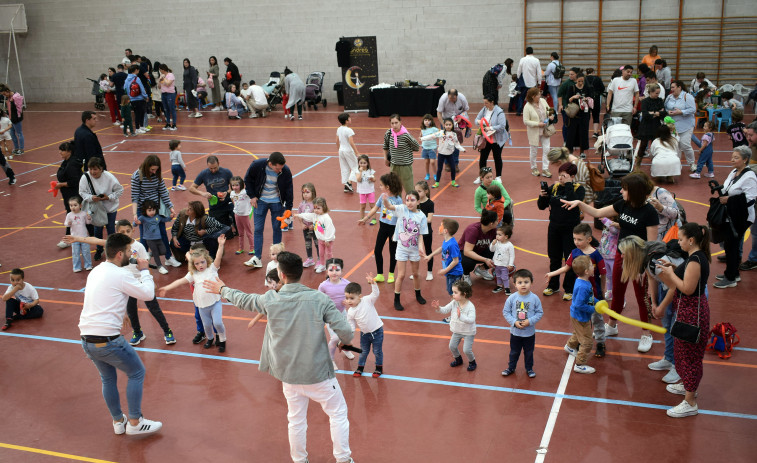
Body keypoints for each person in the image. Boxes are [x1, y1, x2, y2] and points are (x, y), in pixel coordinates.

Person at [204, 251, 355, 463]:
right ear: (300, 273)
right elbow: (346, 333)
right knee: (338, 414)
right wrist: (343, 340)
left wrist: (222, 289)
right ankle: (343, 459)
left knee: (296, 420)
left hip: (288, 375)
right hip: (318, 374)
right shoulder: (320, 299)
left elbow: (244, 300)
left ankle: (300, 460)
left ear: (282, 276)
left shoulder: (270, 299)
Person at [561, 173, 659, 352]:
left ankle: (646, 333)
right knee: (616, 292)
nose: (621, 191)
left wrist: (644, 266)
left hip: (638, 260)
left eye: (624, 188)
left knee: (640, 297)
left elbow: (651, 245)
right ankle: (612, 325)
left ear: (634, 191)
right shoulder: (623, 204)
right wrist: (580, 204)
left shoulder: (650, 213)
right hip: (621, 255)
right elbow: (598, 213)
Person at [78, 233, 162, 435]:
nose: (130, 254)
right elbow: (148, 294)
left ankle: (118, 421)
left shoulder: (96, 271)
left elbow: (104, 295)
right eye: (128, 251)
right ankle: (135, 422)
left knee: (107, 379)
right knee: (137, 372)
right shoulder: (120, 274)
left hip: (87, 339)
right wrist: (145, 271)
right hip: (108, 340)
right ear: (119, 254)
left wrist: (120, 311)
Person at [656, 223, 711, 417]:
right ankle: (687, 386)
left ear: (691, 240)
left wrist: (671, 274)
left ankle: (690, 401)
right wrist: (675, 268)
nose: (678, 242)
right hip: (687, 311)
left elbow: (687, 288)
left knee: (690, 357)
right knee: (682, 352)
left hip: (692, 314)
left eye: (680, 239)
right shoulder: (693, 258)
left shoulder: (696, 259)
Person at [546, 223, 609, 357]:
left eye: (579, 239)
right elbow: (566, 267)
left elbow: (603, 274)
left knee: (597, 319)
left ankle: (600, 342)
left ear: (589, 239)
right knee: (582, 318)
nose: (576, 242)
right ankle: (582, 338)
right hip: (581, 293)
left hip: (594, 294)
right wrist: (552, 274)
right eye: (574, 239)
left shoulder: (596, 255)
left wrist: (602, 291)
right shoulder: (574, 252)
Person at [161, 238, 228, 352]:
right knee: (206, 325)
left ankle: (222, 340)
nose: (200, 265)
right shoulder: (193, 274)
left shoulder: (212, 269)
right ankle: (210, 338)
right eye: (197, 263)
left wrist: (220, 245)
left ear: (207, 260)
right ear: (193, 265)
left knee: (217, 322)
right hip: (202, 306)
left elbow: (218, 257)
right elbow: (180, 281)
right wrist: (167, 287)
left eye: (202, 262)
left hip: (215, 302)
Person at [538, 163, 585, 299]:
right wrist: (543, 196)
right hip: (554, 228)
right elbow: (542, 206)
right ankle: (553, 285)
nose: (560, 178)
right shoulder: (554, 188)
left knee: (570, 259)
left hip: (571, 230)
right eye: (560, 175)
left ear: (572, 176)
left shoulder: (578, 189)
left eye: (564, 175)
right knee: (554, 257)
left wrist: (569, 184)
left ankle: (569, 289)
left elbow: (571, 201)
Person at [377, 190, 429, 311]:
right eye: (407, 200)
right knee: (401, 275)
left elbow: (421, 235)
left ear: (418, 201)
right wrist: (385, 199)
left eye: (412, 200)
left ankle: (418, 294)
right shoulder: (402, 209)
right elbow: (389, 206)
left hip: (414, 249)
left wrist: (421, 248)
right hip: (402, 249)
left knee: (416, 274)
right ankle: (397, 299)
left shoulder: (422, 216)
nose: (409, 203)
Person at [713, 146, 757, 289]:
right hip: (731, 215)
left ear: (745, 159)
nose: (732, 159)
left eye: (736, 157)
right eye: (732, 157)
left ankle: (730, 277)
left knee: (732, 245)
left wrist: (729, 200)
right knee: (730, 245)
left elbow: (750, 199)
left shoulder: (750, 176)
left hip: (741, 217)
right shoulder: (734, 172)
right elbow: (727, 189)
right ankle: (733, 273)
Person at [243, 152, 294, 268]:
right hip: (260, 201)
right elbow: (247, 180)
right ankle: (257, 258)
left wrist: (289, 208)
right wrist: (252, 196)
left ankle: (277, 257)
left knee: (277, 228)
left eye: (281, 168)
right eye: (277, 168)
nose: (280, 170)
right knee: (258, 229)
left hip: (277, 202)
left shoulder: (285, 170)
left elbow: (289, 188)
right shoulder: (257, 165)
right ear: (270, 164)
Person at [131, 155, 180, 267]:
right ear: (146, 166)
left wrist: (170, 207)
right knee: (144, 235)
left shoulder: (157, 175)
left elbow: (163, 191)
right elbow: (135, 196)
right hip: (143, 210)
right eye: (152, 169)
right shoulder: (137, 176)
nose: (154, 172)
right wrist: (135, 214)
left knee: (162, 233)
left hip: (156, 209)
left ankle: (168, 257)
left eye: (156, 169)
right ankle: (141, 261)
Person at [358, 172, 403, 283]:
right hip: (383, 226)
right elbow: (375, 208)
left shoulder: (398, 200)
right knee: (377, 250)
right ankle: (380, 274)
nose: (379, 187)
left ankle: (391, 274)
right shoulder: (382, 197)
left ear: (387, 187)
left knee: (393, 252)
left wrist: (399, 231)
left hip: (393, 228)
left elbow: (401, 216)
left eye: (381, 185)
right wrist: (365, 218)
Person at [79, 157, 123, 261]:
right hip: (96, 208)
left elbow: (119, 190)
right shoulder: (85, 177)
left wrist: (108, 197)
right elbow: (82, 192)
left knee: (110, 229)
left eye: (95, 169)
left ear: (101, 169)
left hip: (109, 208)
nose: (92, 172)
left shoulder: (109, 177)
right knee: (97, 229)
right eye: (90, 169)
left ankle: (113, 249)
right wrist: (91, 198)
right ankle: (99, 249)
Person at [501, 269, 543, 377]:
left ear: (531, 282)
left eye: (526, 282)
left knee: (529, 353)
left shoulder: (535, 298)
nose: (523, 285)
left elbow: (539, 313)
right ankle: (511, 367)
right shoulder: (512, 298)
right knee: (514, 352)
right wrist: (514, 322)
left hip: (529, 333)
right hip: (515, 333)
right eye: (520, 282)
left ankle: (529, 369)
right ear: (514, 284)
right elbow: (506, 312)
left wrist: (530, 321)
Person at [432, 279, 477, 371]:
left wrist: (461, 316)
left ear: (464, 294)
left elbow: (471, 320)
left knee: (467, 350)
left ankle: (472, 362)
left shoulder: (470, 306)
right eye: (453, 292)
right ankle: (458, 359)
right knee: (452, 346)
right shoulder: (454, 302)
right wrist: (438, 308)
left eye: (455, 292)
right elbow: (445, 310)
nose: (453, 294)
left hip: (468, 332)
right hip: (457, 331)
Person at [563, 255, 598, 374]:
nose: (594, 267)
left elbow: (589, 298)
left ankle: (569, 346)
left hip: (577, 315)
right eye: (591, 266)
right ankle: (580, 364)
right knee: (587, 341)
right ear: (587, 271)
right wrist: (593, 309)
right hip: (581, 317)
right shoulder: (583, 286)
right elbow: (579, 304)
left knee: (578, 333)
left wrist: (598, 303)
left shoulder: (582, 281)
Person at [345, 275, 383, 378]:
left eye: (352, 298)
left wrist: (373, 283)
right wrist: (350, 334)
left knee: (377, 351)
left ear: (360, 296)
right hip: (364, 334)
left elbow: (376, 294)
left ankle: (379, 368)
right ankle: (360, 367)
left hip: (377, 331)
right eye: (347, 298)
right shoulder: (350, 311)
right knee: (363, 351)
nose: (349, 301)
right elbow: (351, 323)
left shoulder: (367, 300)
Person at [318, 258, 355, 365]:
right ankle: (331, 359)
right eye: (331, 270)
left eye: (337, 270)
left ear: (342, 271)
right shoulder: (323, 286)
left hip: (343, 314)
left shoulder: (347, 284)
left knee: (346, 335)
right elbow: (319, 300)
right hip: (330, 317)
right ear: (326, 271)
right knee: (335, 338)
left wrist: (348, 301)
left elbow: (352, 298)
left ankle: (346, 349)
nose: (334, 273)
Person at [188, 155, 234, 235]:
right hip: (215, 205)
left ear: (218, 163)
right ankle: (228, 220)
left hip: (228, 202)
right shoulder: (204, 174)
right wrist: (203, 193)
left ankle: (232, 220)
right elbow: (191, 188)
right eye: (211, 168)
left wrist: (227, 193)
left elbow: (235, 188)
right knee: (222, 233)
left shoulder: (226, 172)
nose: (213, 170)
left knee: (238, 217)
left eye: (215, 168)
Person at [423, 218, 464, 301]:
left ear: (445, 231)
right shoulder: (446, 240)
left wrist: (444, 271)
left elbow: (455, 261)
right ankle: (455, 309)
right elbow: (441, 248)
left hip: (454, 273)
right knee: (450, 292)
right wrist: (430, 255)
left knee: (453, 293)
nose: (439, 227)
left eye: (440, 226)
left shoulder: (452, 244)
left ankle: (457, 310)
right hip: (450, 272)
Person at [294, 197, 335, 274]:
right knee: (321, 253)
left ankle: (331, 265)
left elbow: (330, 229)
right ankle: (322, 265)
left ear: (324, 207)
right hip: (320, 240)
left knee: (328, 253)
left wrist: (327, 239)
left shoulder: (326, 218)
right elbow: (307, 215)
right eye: (315, 208)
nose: (316, 210)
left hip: (327, 240)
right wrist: (298, 215)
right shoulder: (315, 215)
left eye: (318, 208)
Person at [54, 141, 83, 248]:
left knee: (71, 214)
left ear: (69, 151)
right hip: (68, 194)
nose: (60, 152)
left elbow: (75, 181)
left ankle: (68, 238)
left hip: (74, 194)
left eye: (62, 150)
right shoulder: (66, 162)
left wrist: (60, 184)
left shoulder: (72, 164)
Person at [475, 94, 510, 180]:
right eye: (484, 103)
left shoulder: (499, 112)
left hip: (497, 139)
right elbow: (476, 119)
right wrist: (479, 122)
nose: (484, 105)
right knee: (483, 157)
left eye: (486, 103)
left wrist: (490, 128)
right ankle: (482, 176)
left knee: (497, 157)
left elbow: (502, 126)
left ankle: (498, 177)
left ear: (492, 102)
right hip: (486, 139)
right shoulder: (484, 109)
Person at [422, 117, 465, 188]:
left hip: (450, 155)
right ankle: (437, 182)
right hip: (441, 154)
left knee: (453, 168)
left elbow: (457, 144)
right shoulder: (441, 133)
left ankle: (453, 181)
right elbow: (431, 136)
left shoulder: (454, 134)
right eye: (446, 124)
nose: (448, 126)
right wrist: (422, 138)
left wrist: (462, 149)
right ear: (444, 125)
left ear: (452, 125)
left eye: (450, 125)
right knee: (440, 169)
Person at [383, 114, 420, 195]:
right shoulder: (388, 133)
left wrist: (406, 150)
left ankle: (413, 207)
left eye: (396, 122)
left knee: (409, 191)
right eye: (392, 123)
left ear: (400, 122)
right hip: (394, 166)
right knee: (395, 190)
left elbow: (416, 147)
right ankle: (397, 207)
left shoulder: (406, 135)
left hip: (405, 167)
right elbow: (385, 146)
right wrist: (385, 158)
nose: (394, 125)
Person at [665, 80, 697, 172]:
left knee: (685, 145)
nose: (671, 89)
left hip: (686, 125)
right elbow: (665, 108)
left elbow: (693, 109)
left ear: (679, 87)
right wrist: (668, 112)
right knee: (675, 146)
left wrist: (681, 112)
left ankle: (692, 163)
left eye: (673, 87)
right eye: (671, 87)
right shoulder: (669, 97)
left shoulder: (687, 97)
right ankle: (677, 164)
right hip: (673, 126)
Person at [459, 210, 499, 284]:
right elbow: (467, 252)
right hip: (464, 253)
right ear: (491, 224)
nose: (498, 222)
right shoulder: (473, 230)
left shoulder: (493, 230)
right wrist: (485, 260)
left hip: (480, 250)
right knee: (468, 263)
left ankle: (482, 269)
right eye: (497, 220)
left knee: (498, 253)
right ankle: (466, 274)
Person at [523, 87, 552, 177]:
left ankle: (545, 169)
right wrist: (537, 124)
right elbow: (526, 121)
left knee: (547, 149)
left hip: (545, 130)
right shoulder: (527, 106)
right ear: (533, 96)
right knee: (534, 151)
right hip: (534, 132)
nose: (540, 95)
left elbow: (549, 109)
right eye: (538, 94)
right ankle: (534, 168)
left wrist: (551, 115)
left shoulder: (543, 101)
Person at [637, 83, 667, 168]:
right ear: (651, 92)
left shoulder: (660, 100)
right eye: (656, 93)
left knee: (657, 145)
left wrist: (653, 113)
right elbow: (645, 114)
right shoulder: (645, 101)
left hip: (656, 126)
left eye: (659, 93)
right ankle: (638, 163)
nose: (658, 95)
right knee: (643, 145)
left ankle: (656, 163)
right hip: (646, 126)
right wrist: (657, 113)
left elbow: (664, 113)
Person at [138, 200, 172, 273]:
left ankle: (150, 254)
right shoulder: (143, 218)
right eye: (149, 210)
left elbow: (164, 219)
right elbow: (135, 223)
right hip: (149, 239)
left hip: (158, 238)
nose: (152, 212)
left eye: (153, 210)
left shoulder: (157, 217)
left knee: (164, 251)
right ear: (145, 210)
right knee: (156, 252)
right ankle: (159, 266)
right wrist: (136, 222)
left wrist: (170, 217)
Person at [564, 72, 592, 158]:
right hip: (573, 115)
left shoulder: (587, 88)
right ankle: (570, 151)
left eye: (582, 81)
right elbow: (567, 100)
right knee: (571, 133)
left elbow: (591, 99)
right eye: (579, 81)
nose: (580, 83)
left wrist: (586, 99)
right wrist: (573, 97)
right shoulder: (571, 88)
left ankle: (582, 152)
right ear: (576, 80)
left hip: (584, 115)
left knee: (583, 133)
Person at [229, 176, 253, 256]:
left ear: (241, 185)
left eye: (237, 185)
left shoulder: (245, 192)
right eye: (233, 185)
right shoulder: (232, 193)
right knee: (240, 232)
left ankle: (252, 248)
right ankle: (241, 248)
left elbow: (252, 198)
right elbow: (234, 202)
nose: (235, 187)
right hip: (237, 214)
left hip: (245, 215)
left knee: (248, 232)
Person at [336, 113, 359, 193]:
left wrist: (339, 150)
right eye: (349, 118)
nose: (350, 120)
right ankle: (349, 183)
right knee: (355, 167)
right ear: (346, 121)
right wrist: (357, 153)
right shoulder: (349, 130)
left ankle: (346, 186)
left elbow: (337, 141)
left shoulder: (339, 129)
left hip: (341, 151)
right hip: (348, 150)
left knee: (345, 168)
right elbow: (351, 142)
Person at [490, 225, 515, 294]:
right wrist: (492, 244)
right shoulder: (497, 243)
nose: (497, 236)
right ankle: (499, 286)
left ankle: (507, 288)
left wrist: (510, 264)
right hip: (497, 264)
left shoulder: (509, 245)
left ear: (506, 237)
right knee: (498, 276)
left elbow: (512, 255)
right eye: (497, 234)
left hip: (504, 265)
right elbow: (491, 250)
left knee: (504, 277)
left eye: (499, 235)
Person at [516, 47, 542, 112]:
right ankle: (532, 111)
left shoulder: (522, 59)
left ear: (525, 52)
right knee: (533, 97)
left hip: (524, 82)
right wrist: (539, 82)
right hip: (532, 82)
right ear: (533, 52)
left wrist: (518, 79)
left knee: (521, 97)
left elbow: (519, 71)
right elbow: (539, 72)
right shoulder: (536, 60)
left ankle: (519, 111)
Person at [0, 84, 24, 156]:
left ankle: (21, 149)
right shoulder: (9, 98)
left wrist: (17, 118)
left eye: (4, 94)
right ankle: (16, 148)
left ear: (7, 91)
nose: (4, 96)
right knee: (12, 134)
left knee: (19, 133)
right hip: (11, 118)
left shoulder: (16, 96)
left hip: (16, 118)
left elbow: (19, 109)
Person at [124, 64, 149, 133]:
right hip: (140, 98)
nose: (138, 71)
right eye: (138, 70)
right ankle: (138, 129)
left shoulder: (126, 79)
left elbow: (125, 89)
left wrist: (129, 96)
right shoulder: (137, 78)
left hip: (132, 99)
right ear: (135, 70)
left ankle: (142, 127)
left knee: (138, 113)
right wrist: (146, 96)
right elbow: (142, 88)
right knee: (140, 114)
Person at [557, 68, 579, 143]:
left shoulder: (580, 83)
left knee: (575, 125)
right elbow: (559, 95)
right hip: (567, 107)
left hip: (577, 108)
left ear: (577, 74)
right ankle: (566, 141)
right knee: (566, 124)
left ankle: (574, 140)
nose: (570, 75)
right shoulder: (566, 83)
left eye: (572, 74)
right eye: (569, 74)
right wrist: (560, 105)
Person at [353, 155, 376, 224]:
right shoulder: (357, 171)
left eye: (364, 163)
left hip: (370, 191)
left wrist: (372, 179)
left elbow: (375, 180)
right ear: (358, 163)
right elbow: (358, 179)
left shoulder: (370, 171)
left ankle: (374, 219)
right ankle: (362, 219)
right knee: (362, 206)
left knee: (372, 206)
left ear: (367, 163)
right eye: (361, 163)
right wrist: (360, 172)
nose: (362, 164)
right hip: (362, 192)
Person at [585, 68, 605, 138]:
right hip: (595, 98)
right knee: (596, 115)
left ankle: (585, 132)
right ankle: (595, 132)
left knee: (586, 116)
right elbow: (602, 88)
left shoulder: (584, 79)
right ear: (593, 72)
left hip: (586, 99)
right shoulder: (597, 79)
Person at [419, 114, 439, 182]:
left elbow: (439, 135)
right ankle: (427, 174)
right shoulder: (422, 129)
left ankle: (435, 175)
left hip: (432, 148)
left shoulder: (434, 129)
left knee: (432, 162)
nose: (427, 122)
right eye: (425, 120)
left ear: (431, 121)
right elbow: (420, 137)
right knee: (426, 162)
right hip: (425, 148)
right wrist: (420, 138)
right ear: (423, 121)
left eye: (428, 120)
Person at [157, 64, 177, 131]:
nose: (160, 71)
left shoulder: (170, 75)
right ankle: (168, 123)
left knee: (172, 109)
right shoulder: (161, 76)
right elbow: (159, 87)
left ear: (163, 69)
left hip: (170, 94)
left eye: (160, 70)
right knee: (166, 109)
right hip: (164, 94)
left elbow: (168, 84)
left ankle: (174, 124)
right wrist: (159, 80)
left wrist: (164, 78)